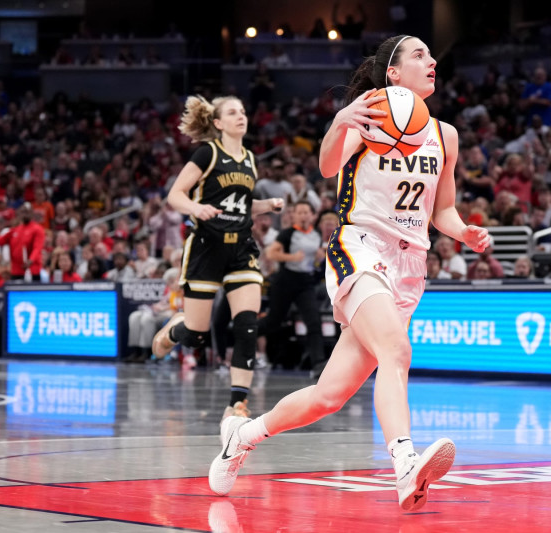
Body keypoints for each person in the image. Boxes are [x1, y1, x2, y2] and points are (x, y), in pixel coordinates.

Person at [208, 34, 490, 511]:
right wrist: (340, 121)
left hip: (409, 265)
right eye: (420, 54)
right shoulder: (367, 116)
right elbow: (325, 165)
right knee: (397, 351)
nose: (433, 60)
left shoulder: (446, 135)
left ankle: (242, 435)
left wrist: (464, 233)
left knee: (328, 396)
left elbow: (441, 209)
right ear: (393, 73)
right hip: (359, 246)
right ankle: (404, 464)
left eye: (431, 54)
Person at [151, 95, 284, 422]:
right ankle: (174, 329)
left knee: (247, 324)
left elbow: (241, 205)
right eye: (232, 112)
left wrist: (267, 206)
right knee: (197, 333)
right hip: (206, 248)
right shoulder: (207, 153)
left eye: (243, 110)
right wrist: (195, 208)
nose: (241, 116)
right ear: (218, 123)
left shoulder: (251, 159)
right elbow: (175, 194)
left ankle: (237, 404)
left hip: (240, 247)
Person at [257, 200, 327, 377]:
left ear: (312, 215)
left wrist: (320, 256)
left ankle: (318, 364)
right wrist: (291, 257)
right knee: (273, 321)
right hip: (286, 281)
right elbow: (271, 253)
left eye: (306, 212)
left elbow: (316, 258)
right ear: (294, 215)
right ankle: (246, 334)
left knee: (313, 321)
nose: (303, 215)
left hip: (306, 282)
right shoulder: (287, 234)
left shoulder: (316, 234)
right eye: (300, 212)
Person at [0, 202, 45, 281]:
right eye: (23, 212)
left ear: (31, 213)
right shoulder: (15, 230)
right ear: (20, 214)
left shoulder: (37, 229)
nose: (25, 214)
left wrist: (30, 260)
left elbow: (37, 248)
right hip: (16, 271)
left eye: (27, 211)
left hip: (32, 270)